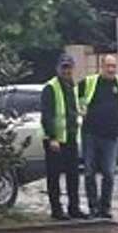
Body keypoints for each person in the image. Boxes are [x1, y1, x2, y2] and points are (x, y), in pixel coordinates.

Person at [79, 53, 118, 219]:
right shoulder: (90, 82)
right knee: (89, 172)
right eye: (108, 66)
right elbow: (72, 96)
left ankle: (105, 208)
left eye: (114, 66)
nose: (111, 69)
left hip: (112, 137)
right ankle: (93, 208)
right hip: (90, 134)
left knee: (109, 173)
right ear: (101, 66)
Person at [40, 54, 84, 220]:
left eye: (69, 67)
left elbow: (73, 109)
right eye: (64, 67)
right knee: (54, 176)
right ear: (58, 68)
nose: (66, 70)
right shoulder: (50, 87)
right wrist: (52, 137)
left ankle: (74, 208)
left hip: (71, 138)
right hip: (55, 140)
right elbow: (47, 115)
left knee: (73, 176)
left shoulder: (72, 86)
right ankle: (56, 210)